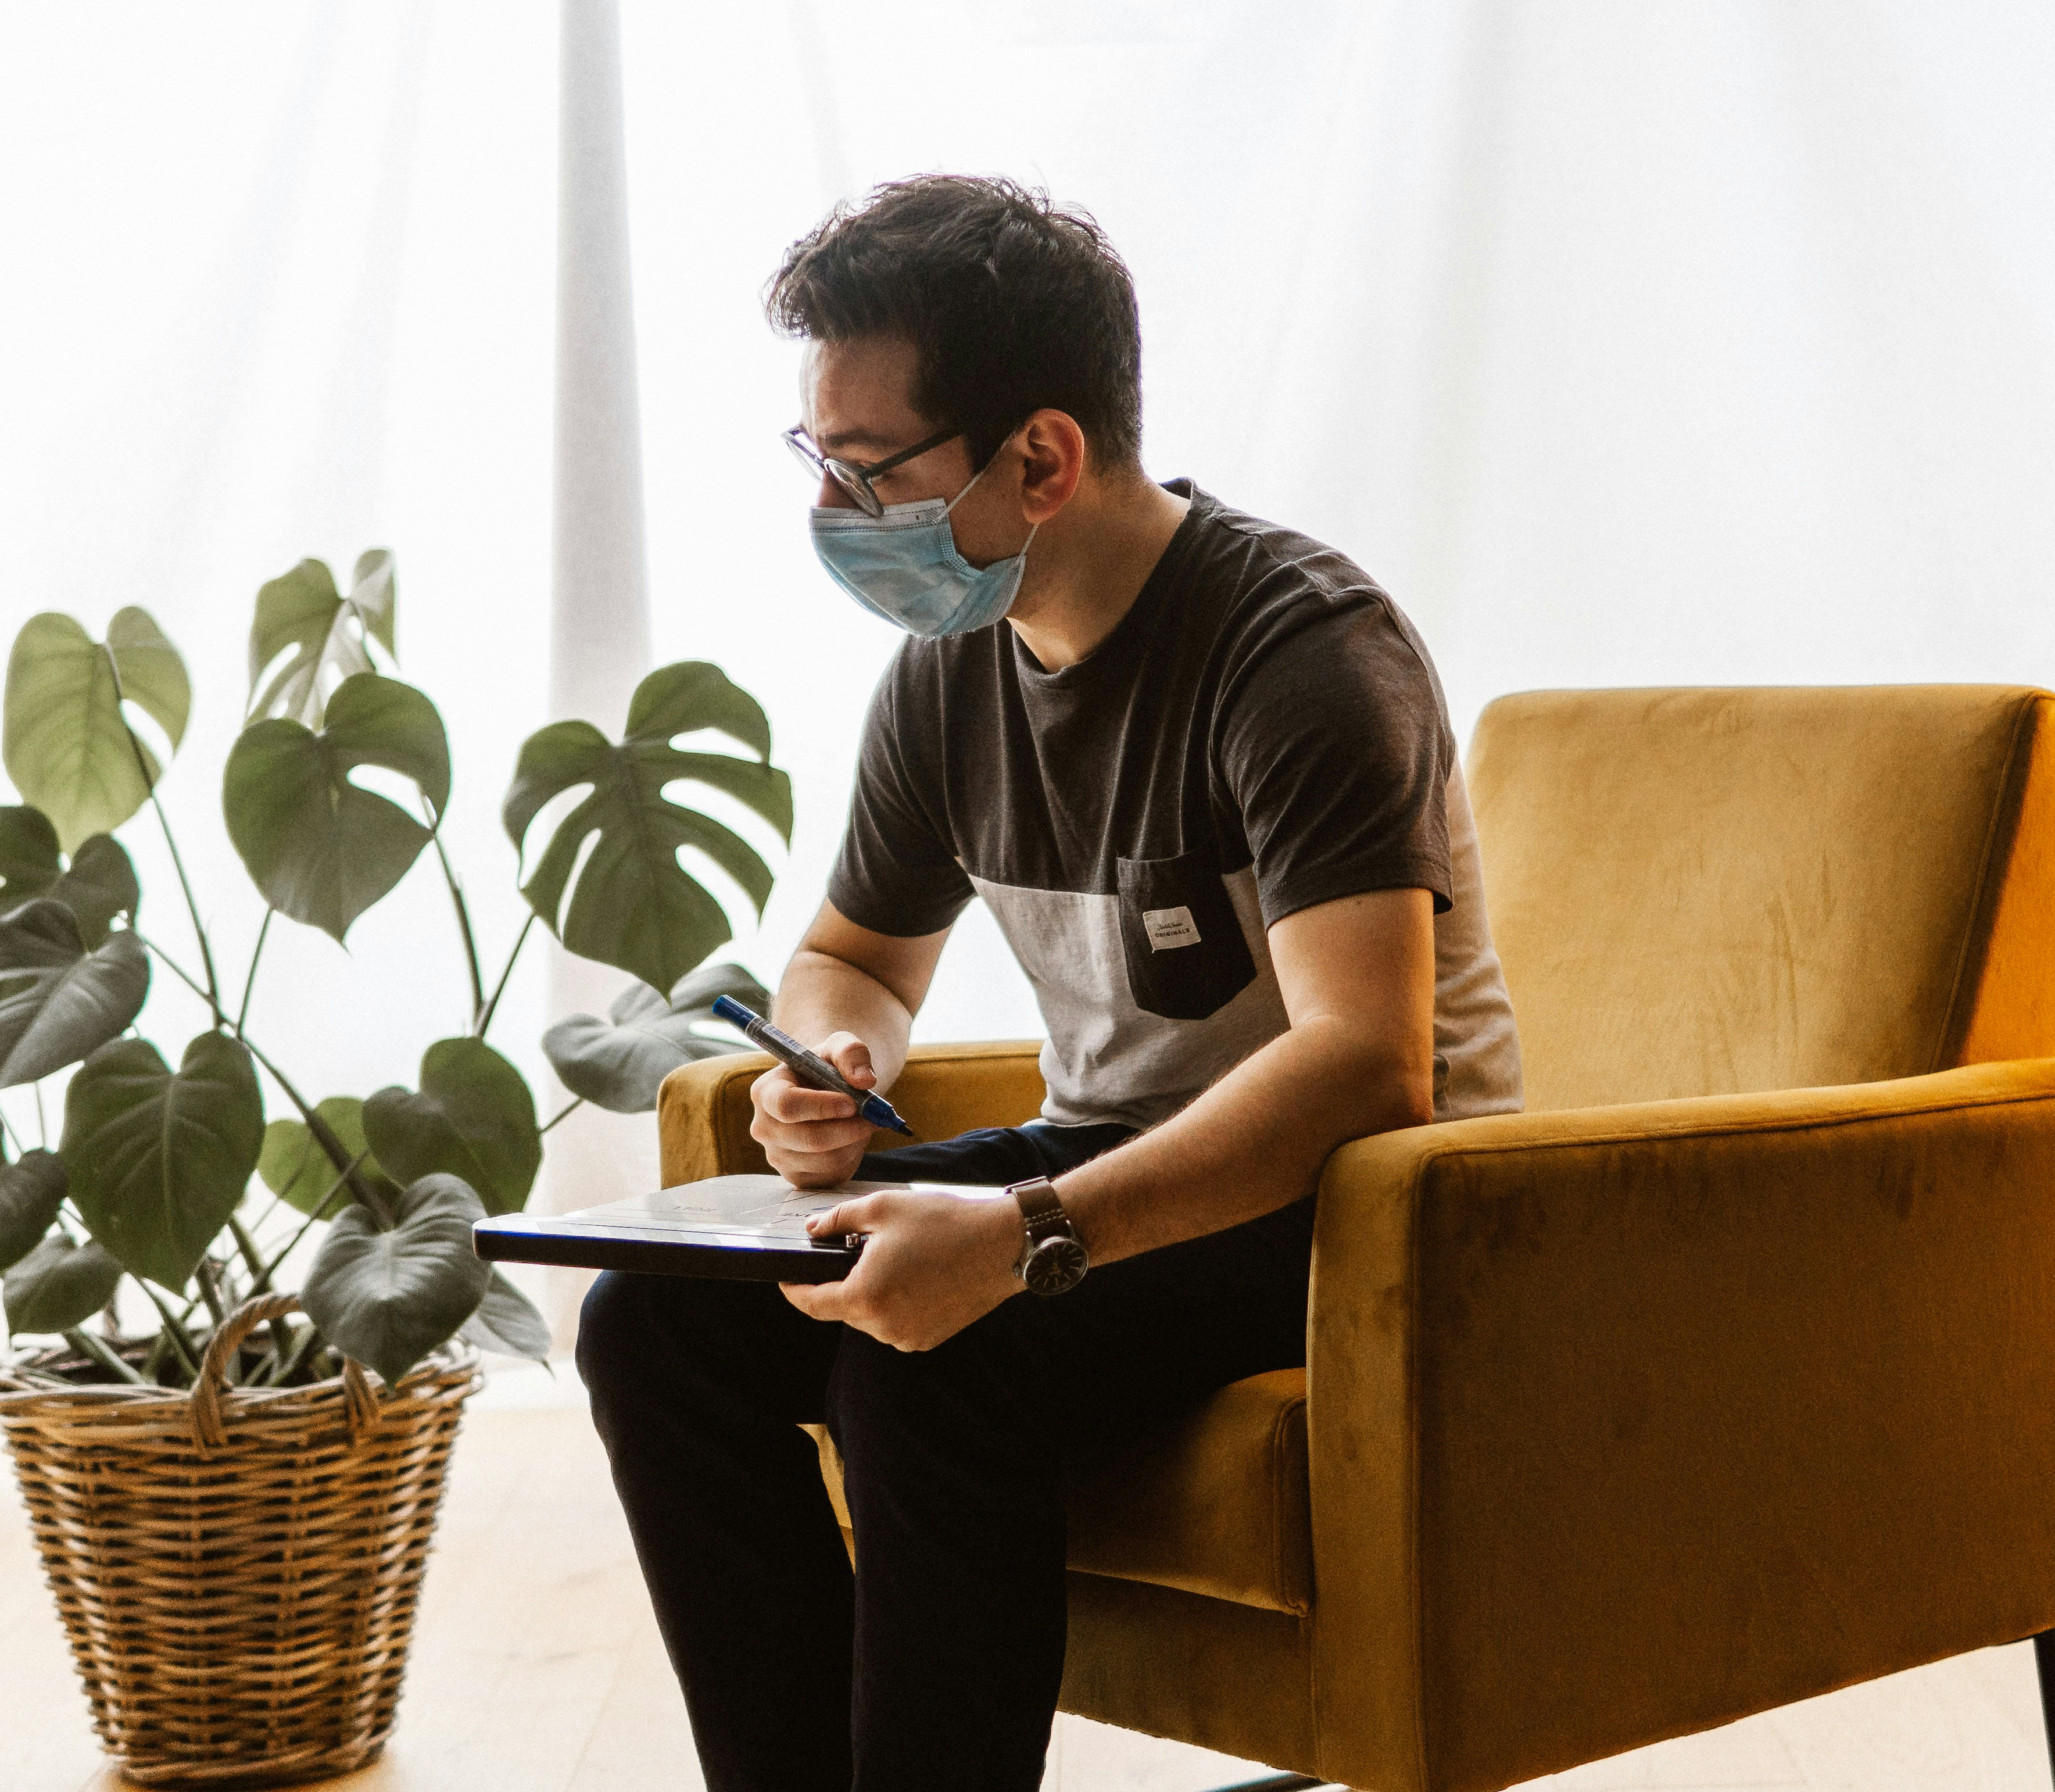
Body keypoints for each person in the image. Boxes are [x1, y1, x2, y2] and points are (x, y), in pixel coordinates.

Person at [576, 174, 1520, 1792]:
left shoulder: (1299, 653)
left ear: (1041, 457)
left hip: (1369, 1206)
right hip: (1113, 1166)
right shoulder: (950, 673)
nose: (835, 511)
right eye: (819, 461)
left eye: (869, 470)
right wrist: (832, 1060)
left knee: (931, 1351)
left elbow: (1367, 1065)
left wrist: (1022, 1238)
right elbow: (853, 956)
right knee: (657, 1327)